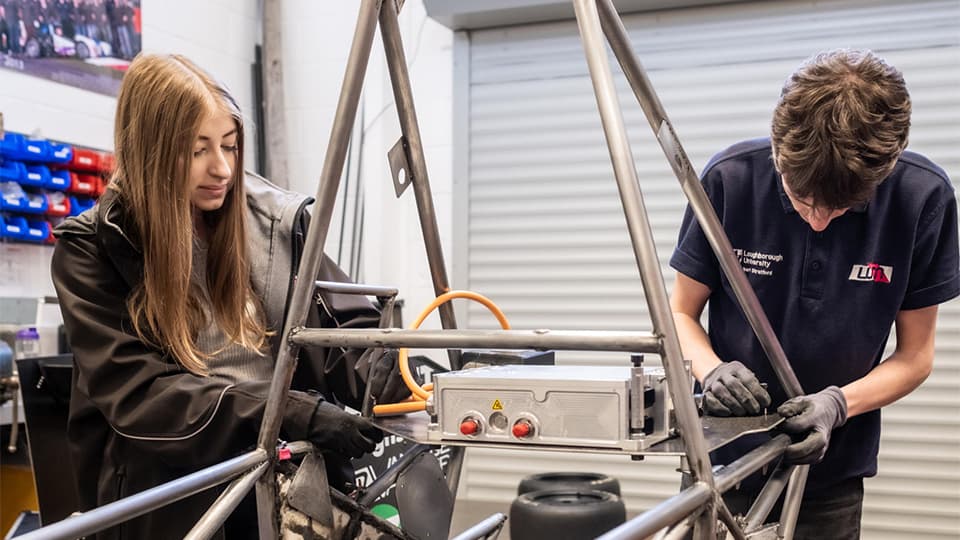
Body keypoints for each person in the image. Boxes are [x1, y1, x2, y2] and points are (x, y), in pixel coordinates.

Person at [51, 53, 410, 539]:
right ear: (150, 151)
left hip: (283, 483)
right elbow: (142, 394)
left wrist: (399, 376)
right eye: (197, 149)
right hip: (177, 498)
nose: (221, 168)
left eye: (229, 145)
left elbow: (342, 334)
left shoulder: (277, 225)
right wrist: (289, 412)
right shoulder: (94, 248)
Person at [669, 49, 959, 538]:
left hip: (830, 477)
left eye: (844, 207)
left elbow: (916, 356)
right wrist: (710, 369)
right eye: (803, 199)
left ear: (885, 170)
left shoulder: (922, 200)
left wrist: (838, 405)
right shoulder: (729, 181)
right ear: (781, 152)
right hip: (718, 460)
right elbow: (679, 314)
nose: (819, 220)